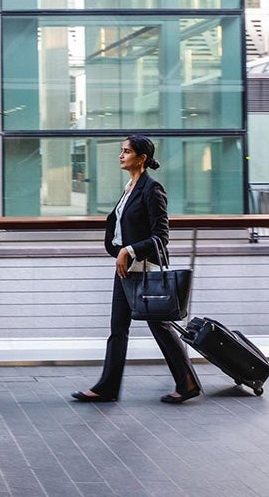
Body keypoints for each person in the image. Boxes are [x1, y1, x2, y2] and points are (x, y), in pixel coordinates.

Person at [72, 135, 202, 404]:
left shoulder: (152, 189)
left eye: (127, 151)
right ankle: (107, 387)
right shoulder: (130, 187)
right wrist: (117, 249)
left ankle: (188, 382)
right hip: (125, 270)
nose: (121, 155)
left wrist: (128, 250)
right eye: (121, 150)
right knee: (118, 328)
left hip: (143, 269)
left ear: (141, 158)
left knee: (160, 327)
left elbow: (161, 236)